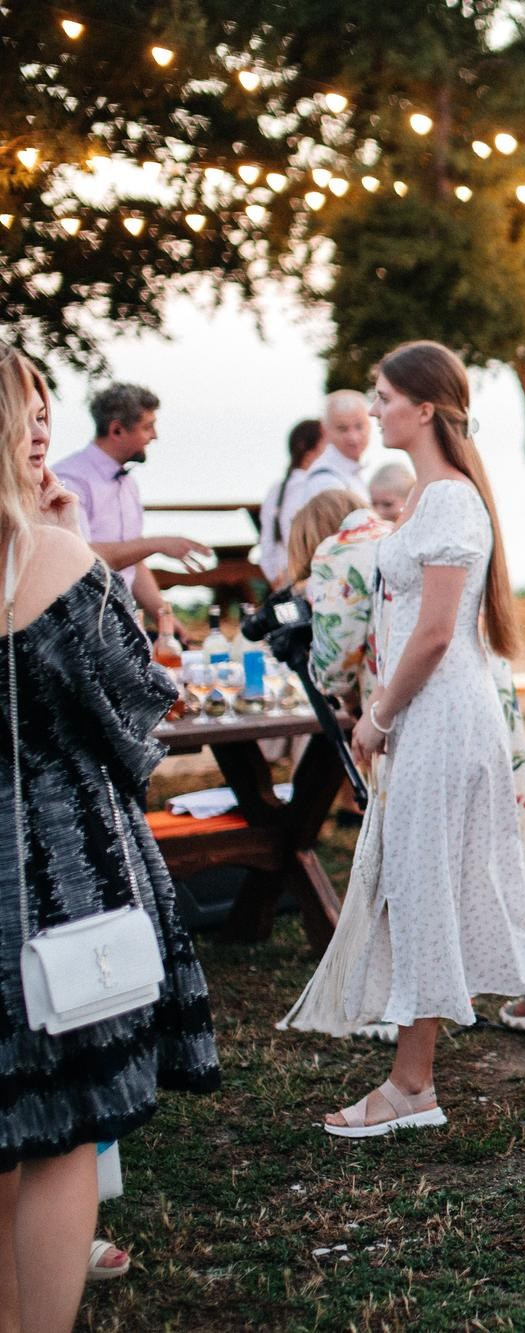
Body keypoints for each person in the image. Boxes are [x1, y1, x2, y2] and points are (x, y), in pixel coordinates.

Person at [282, 341, 525, 1133]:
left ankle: (412, 1085)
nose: (373, 410)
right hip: (434, 714)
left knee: (426, 885)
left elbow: (437, 631)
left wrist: (374, 719)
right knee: (467, 886)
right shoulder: (430, 498)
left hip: (441, 714)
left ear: (426, 407)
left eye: (381, 395)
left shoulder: (447, 502)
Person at [0, 345, 220, 1331]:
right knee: (58, 1136)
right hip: (55, 876)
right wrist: (74, 538)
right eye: (26, 405)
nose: (42, 422)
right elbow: (137, 717)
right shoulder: (48, 558)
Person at [283, 485, 525, 1043]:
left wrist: (359, 705)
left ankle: (427, 1014)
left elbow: (335, 650)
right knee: (490, 851)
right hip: (484, 698)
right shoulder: (397, 531)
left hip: (411, 710)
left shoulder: (340, 552)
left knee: (418, 858)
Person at [52, 382, 211, 631]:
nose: (155, 436)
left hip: (124, 622)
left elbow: (133, 560)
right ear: (117, 430)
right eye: (147, 427)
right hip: (84, 625)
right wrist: (157, 544)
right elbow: (80, 557)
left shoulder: (128, 484)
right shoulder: (69, 480)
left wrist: (164, 616)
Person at [282, 390, 374, 532]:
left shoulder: (351, 472)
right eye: (342, 429)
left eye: (359, 426)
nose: (353, 437)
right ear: (325, 431)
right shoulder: (325, 480)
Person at [256, 418, 325, 584]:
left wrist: (274, 577)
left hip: (282, 578)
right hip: (307, 580)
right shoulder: (312, 488)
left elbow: (266, 544)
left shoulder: (277, 489)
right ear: (310, 454)